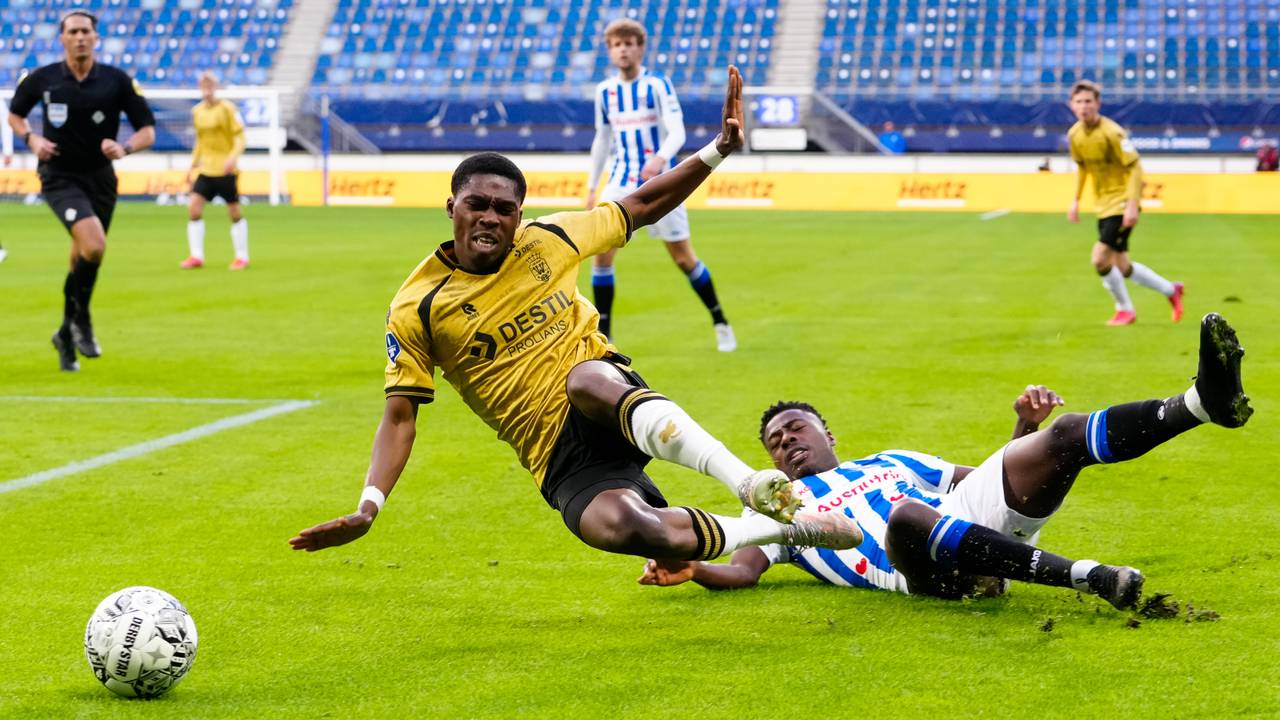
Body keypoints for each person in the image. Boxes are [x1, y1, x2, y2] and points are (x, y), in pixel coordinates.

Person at [290, 68, 861, 565]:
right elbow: (399, 418)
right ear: (451, 208)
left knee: (585, 377)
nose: (490, 217)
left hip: (604, 394)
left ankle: (749, 482)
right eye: (476, 204)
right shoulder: (417, 306)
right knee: (623, 528)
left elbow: (639, 204)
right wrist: (369, 507)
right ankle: (788, 529)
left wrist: (717, 150)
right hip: (552, 452)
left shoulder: (547, 239)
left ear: (518, 215)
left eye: (504, 208)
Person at [639, 313, 1252, 610]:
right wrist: (693, 569)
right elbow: (743, 570)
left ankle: (1202, 403)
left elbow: (992, 479)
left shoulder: (895, 458)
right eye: (775, 442)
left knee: (1064, 434)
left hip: (965, 531)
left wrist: (1024, 433)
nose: (786, 442)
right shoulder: (789, 513)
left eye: (795, 428)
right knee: (906, 516)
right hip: (915, 568)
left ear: (826, 431)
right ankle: (1088, 576)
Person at [6, 10, 155, 371]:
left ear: (96, 37)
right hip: (59, 176)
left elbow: (147, 130)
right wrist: (31, 138)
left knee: (82, 259)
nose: (80, 37)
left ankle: (64, 335)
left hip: (101, 179)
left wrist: (125, 149)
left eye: (86, 31)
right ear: (62, 38)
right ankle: (83, 320)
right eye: (73, 32)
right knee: (94, 244)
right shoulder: (41, 79)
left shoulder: (117, 81)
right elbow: (14, 114)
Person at [585, 19, 736, 352]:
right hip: (619, 183)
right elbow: (602, 138)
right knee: (601, 256)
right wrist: (593, 186)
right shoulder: (605, 92)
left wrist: (660, 157)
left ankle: (720, 321)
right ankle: (605, 337)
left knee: (684, 259)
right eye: (616, 44)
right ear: (610, 51)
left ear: (640, 48)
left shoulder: (657, 85)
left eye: (629, 43)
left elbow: (677, 130)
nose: (623, 49)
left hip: (663, 183)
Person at [1066, 80, 1182, 327]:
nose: (1084, 106)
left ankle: (1125, 310)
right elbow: (1082, 168)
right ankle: (1171, 290)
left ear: (1098, 103)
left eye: (1088, 101)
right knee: (1122, 265)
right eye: (1079, 102)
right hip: (1103, 205)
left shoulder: (1113, 132)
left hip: (1121, 203)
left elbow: (1135, 167)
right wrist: (1075, 200)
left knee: (1099, 259)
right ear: (1071, 105)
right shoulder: (1075, 135)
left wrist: (1132, 204)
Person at [181, 72, 249, 270]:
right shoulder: (197, 111)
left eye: (210, 87)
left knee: (234, 212)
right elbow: (200, 141)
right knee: (193, 207)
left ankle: (242, 256)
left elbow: (240, 137)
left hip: (226, 168)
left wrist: (233, 157)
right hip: (206, 169)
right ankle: (196, 256)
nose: (207, 91)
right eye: (203, 87)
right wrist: (192, 164)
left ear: (216, 88)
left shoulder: (228, 109)